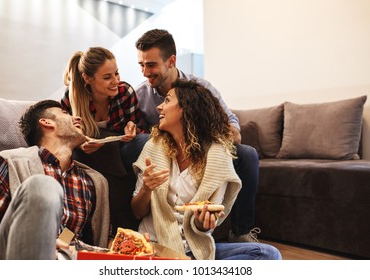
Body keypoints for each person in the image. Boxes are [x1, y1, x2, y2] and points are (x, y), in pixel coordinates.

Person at [131, 79, 281, 260]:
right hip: (156, 249)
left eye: (168, 100)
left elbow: (205, 227)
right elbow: (137, 211)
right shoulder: (153, 148)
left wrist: (203, 224)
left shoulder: (218, 156)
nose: (159, 107)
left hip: (195, 250)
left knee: (268, 254)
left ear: (187, 108)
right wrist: (146, 189)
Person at [135, 29, 260, 242]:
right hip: (162, 150)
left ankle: (241, 232)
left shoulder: (201, 89)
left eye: (151, 65)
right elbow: (135, 129)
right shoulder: (140, 95)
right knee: (139, 142)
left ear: (171, 61)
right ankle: (155, 212)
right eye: (141, 65)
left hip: (201, 145)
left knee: (246, 154)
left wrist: (197, 130)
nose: (145, 72)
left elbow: (234, 132)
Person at [0, 100, 110, 259]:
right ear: (46, 122)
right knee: (44, 186)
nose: (79, 118)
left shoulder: (94, 183)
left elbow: (101, 242)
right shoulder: (7, 163)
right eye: (65, 113)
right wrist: (31, 244)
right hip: (13, 264)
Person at [61, 46, 149, 171]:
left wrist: (131, 127)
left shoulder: (125, 92)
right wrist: (80, 143)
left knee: (144, 141)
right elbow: (63, 135)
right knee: (72, 153)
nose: (116, 81)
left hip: (118, 152)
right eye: (107, 77)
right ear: (87, 78)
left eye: (116, 73)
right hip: (86, 156)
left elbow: (140, 130)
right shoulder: (71, 97)